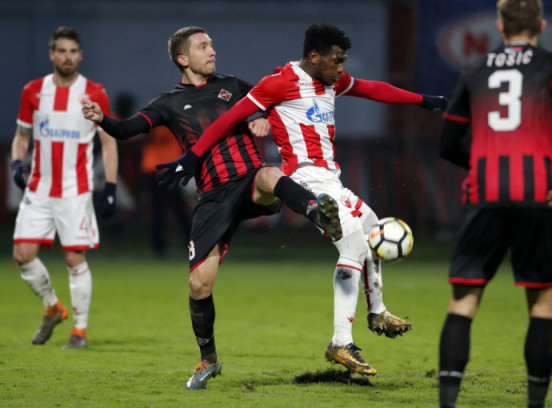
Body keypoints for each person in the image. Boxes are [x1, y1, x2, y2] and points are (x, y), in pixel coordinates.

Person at [156, 23, 448, 377]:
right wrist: (193, 156)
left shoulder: (332, 81)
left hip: (331, 178)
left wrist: (423, 100)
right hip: (305, 179)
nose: (341, 68)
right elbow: (228, 119)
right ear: (314, 57)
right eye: (336, 60)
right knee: (353, 246)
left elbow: (373, 89)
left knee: (372, 228)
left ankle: (377, 311)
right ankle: (341, 342)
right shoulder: (278, 83)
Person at [82, 26, 343, 390]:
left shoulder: (234, 86)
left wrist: (262, 117)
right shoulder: (167, 103)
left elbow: (273, 102)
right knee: (199, 284)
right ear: (183, 58)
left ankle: (320, 214)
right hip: (213, 197)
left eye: (212, 44)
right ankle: (209, 360)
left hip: (249, 179)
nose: (212, 50)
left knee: (269, 175)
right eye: (203, 46)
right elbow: (127, 129)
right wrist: (102, 119)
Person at [436, 1, 552, 407]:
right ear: (542, 25)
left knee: (463, 302)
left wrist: (482, 163)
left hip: (484, 194)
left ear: (499, 27)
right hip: (540, 193)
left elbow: (447, 144)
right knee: (542, 303)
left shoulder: (474, 68)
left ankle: (447, 403)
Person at [11, 26, 118, 349]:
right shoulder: (33, 91)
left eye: (73, 51)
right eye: (62, 51)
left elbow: (108, 142)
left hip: (75, 190)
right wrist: (16, 163)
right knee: (22, 254)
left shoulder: (95, 92)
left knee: (74, 259)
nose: (67, 57)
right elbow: (22, 136)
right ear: (52, 54)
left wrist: (110, 186)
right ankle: (53, 307)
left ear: (80, 55)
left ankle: (79, 331)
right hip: (39, 188)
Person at [140, 125, 192, 257]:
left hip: (165, 165)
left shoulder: (169, 119)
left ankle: (162, 247)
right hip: (157, 166)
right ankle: (160, 247)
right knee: (166, 210)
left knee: (175, 209)